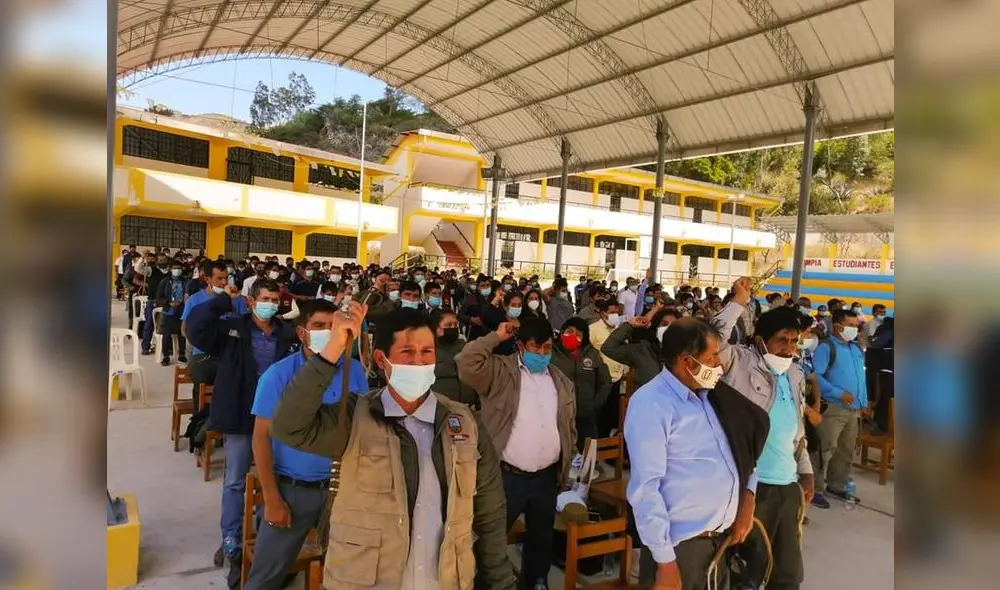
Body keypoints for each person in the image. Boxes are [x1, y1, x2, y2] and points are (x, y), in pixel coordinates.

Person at [270, 306, 515, 589]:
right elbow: (288, 426)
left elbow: (490, 514)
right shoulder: (353, 418)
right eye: (407, 353)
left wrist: (500, 582)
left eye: (427, 352)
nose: (418, 362)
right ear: (382, 359)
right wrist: (332, 351)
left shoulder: (465, 423)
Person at [625, 318, 767, 590]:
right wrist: (665, 563)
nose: (720, 366)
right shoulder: (651, 404)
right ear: (687, 362)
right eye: (712, 357)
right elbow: (645, 489)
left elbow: (743, 450)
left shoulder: (716, 396)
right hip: (681, 551)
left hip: (722, 542)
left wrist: (747, 498)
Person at [243, 300, 368, 590]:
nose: (328, 332)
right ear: (302, 333)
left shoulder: (355, 372)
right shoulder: (280, 375)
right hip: (293, 491)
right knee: (266, 577)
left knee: (347, 572)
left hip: (342, 490)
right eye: (319, 326)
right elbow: (261, 438)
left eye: (333, 326)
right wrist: (272, 499)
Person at [187, 279, 297, 587]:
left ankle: (265, 534)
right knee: (235, 480)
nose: (270, 304)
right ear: (251, 302)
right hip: (238, 413)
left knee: (270, 478)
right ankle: (232, 538)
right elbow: (196, 329)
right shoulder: (231, 328)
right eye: (264, 298)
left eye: (275, 299)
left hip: (274, 417)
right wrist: (222, 301)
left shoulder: (287, 333)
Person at [456, 317, 577, 590]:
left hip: (546, 478)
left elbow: (568, 425)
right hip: (506, 476)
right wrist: (495, 337)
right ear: (521, 346)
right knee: (491, 539)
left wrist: (570, 457)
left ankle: (535, 582)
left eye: (547, 348)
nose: (543, 354)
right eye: (537, 348)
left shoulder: (560, 381)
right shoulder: (499, 373)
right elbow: (466, 363)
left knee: (541, 540)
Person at [712, 281, 815, 590]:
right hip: (750, 486)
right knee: (748, 570)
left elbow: (796, 430)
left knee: (787, 574)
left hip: (787, 487)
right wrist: (738, 302)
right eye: (781, 340)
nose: (789, 348)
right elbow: (712, 341)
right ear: (760, 340)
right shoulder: (739, 363)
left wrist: (806, 471)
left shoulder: (795, 375)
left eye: (794, 341)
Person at [810, 308, 867, 508]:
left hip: (854, 410)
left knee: (845, 450)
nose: (854, 329)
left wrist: (863, 401)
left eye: (856, 326)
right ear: (838, 326)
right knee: (824, 449)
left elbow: (860, 377)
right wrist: (838, 393)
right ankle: (815, 489)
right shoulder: (827, 348)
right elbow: (815, 376)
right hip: (834, 407)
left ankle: (836, 484)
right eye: (850, 326)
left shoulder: (856, 349)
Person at [551, 317, 611, 451]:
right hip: (559, 414)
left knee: (589, 455)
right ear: (561, 333)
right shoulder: (551, 354)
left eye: (578, 334)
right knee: (560, 453)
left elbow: (605, 381)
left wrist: (595, 405)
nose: (573, 336)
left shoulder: (592, 354)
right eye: (569, 331)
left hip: (586, 414)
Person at [601, 306, 681, 389]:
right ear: (657, 327)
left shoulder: (683, 357)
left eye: (673, 326)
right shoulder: (641, 350)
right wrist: (629, 326)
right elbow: (608, 348)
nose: (667, 329)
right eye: (664, 324)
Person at [589, 300, 628, 436]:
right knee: (599, 418)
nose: (614, 316)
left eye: (617, 313)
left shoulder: (618, 330)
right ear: (602, 313)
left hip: (617, 380)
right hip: (601, 381)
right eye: (611, 313)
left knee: (613, 418)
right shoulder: (593, 330)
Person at [430, 309, 477, 408]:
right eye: (448, 325)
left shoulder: (465, 347)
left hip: (469, 407)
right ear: (436, 328)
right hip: (442, 409)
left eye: (455, 325)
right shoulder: (428, 351)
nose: (453, 328)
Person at [154, 259, 189, 366]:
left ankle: (182, 355)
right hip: (168, 311)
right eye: (174, 268)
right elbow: (158, 298)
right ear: (170, 269)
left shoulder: (186, 282)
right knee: (166, 334)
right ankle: (166, 356)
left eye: (179, 268)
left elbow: (189, 295)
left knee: (182, 333)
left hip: (182, 310)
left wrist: (182, 302)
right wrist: (169, 302)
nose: (177, 270)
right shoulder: (165, 282)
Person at [458, 275, 495, 342]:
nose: (486, 287)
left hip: (492, 334)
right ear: (478, 287)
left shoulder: (495, 299)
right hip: (475, 335)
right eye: (483, 286)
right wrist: (471, 319)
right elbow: (460, 315)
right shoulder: (471, 298)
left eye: (488, 285)